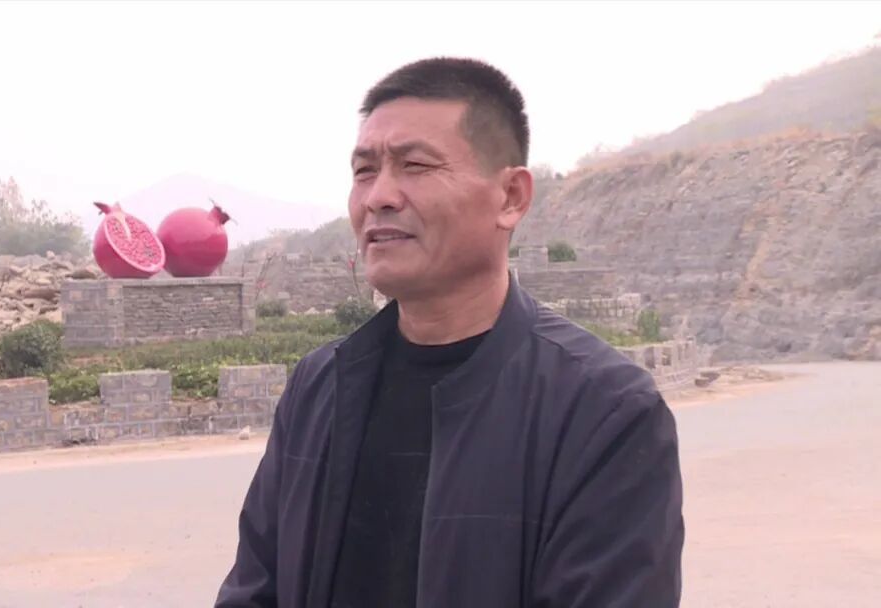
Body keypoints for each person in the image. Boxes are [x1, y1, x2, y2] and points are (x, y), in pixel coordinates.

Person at [215, 56, 684, 608]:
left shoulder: (603, 410)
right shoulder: (319, 388)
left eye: (415, 166)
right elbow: (255, 588)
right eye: (364, 171)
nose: (378, 196)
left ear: (510, 197)